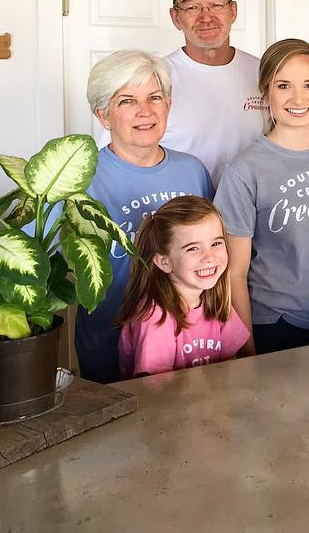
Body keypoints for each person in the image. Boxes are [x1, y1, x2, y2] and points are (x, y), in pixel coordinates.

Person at [215, 39, 309, 354]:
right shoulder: (244, 170)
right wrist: (247, 349)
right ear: (265, 93)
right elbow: (234, 272)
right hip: (280, 325)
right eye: (284, 85)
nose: (298, 98)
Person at [77, 50, 213, 383]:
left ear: (168, 104)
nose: (145, 111)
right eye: (127, 101)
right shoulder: (81, 180)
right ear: (103, 115)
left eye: (154, 97)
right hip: (108, 344)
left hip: (190, 343)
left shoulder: (192, 170)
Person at [117, 196, 251, 377]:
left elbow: (232, 362)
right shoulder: (155, 316)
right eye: (193, 248)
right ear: (164, 262)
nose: (209, 257)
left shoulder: (215, 301)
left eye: (216, 243)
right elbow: (155, 389)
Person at [163, 0, 266, 186]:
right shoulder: (154, 78)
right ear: (175, 18)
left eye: (216, 5)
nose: (206, 17)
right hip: (182, 214)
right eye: (192, 7)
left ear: (233, 10)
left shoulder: (263, 73)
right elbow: (118, 154)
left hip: (251, 211)